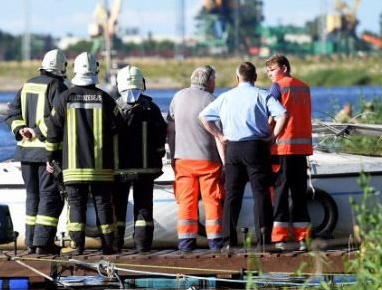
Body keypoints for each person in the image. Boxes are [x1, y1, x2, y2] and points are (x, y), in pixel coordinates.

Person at [199, 62, 288, 249]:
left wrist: (220, 135)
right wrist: (273, 137)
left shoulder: (225, 97)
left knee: (232, 195)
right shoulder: (262, 95)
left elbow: (203, 116)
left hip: (233, 149)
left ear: (237, 78)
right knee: (261, 194)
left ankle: (228, 241)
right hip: (256, 148)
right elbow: (283, 114)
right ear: (255, 78)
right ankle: (264, 241)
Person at [46, 52, 121, 254]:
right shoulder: (106, 99)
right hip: (101, 168)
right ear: (96, 71)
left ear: (75, 71)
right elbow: (119, 127)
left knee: (76, 206)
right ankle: (108, 246)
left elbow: (52, 131)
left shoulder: (64, 98)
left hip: (72, 168)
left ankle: (77, 246)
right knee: (103, 205)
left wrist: (50, 158)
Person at [5, 48, 68, 254]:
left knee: (32, 197)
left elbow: (12, 113)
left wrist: (20, 128)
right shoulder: (57, 86)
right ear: (61, 68)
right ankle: (44, 243)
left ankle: (31, 241)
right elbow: (57, 119)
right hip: (45, 153)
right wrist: (38, 131)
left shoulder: (27, 85)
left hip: (25, 153)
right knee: (49, 196)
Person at [166, 66, 225, 251]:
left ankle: (185, 243)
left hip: (182, 160)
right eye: (214, 80)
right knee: (212, 201)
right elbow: (220, 135)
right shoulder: (213, 101)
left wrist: (174, 157)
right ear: (209, 81)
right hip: (208, 161)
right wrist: (225, 163)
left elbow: (171, 130)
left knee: (186, 202)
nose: (214, 84)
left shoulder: (178, 97)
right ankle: (215, 243)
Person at [112, 65, 167, 253]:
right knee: (144, 208)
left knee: (117, 209)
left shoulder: (113, 109)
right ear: (141, 83)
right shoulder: (152, 108)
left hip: (119, 171)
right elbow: (161, 137)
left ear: (119, 84)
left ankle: (115, 245)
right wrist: (158, 155)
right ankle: (143, 246)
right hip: (146, 170)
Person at [265, 55, 313, 249]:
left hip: (282, 147)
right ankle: (303, 238)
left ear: (284, 68)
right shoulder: (304, 87)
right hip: (301, 149)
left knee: (281, 192)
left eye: (272, 69)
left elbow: (271, 115)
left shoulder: (277, 87)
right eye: (268, 71)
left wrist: (266, 136)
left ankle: (280, 238)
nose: (269, 74)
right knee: (300, 193)